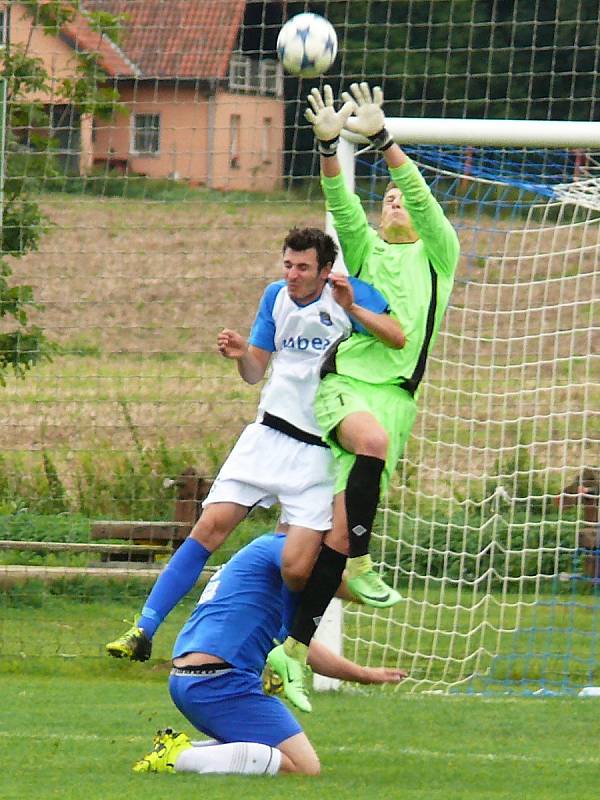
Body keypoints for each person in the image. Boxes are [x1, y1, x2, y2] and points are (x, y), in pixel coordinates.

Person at [106, 226, 405, 662]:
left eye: (303, 267)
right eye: (287, 264)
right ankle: (143, 628)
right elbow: (255, 372)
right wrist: (243, 353)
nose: (293, 274)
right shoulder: (275, 297)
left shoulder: (347, 294)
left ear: (325, 270)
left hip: (318, 454)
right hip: (267, 436)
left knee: (298, 567)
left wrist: (353, 307)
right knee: (208, 528)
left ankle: (281, 657)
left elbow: (397, 336)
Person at [267, 83, 460, 711]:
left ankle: (290, 652)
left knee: (321, 552)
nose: (395, 202)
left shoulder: (439, 255)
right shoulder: (368, 252)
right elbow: (339, 201)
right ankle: (363, 564)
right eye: (389, 199)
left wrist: (386, 142)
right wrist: (330, 146)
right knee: (367, 454)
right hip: (347, 388)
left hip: (398, 402)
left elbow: (428, 204)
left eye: (403, 198)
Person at [131, 531, 407, 777]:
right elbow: (327, 578)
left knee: (262, 750)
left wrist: (363, 675)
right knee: (303, 766)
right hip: (220, 683)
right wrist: (373, 592)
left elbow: (298, 648)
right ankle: (180, 758)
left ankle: (181, 750)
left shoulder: (263, 564)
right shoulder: (280, 549)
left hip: (193, 680)